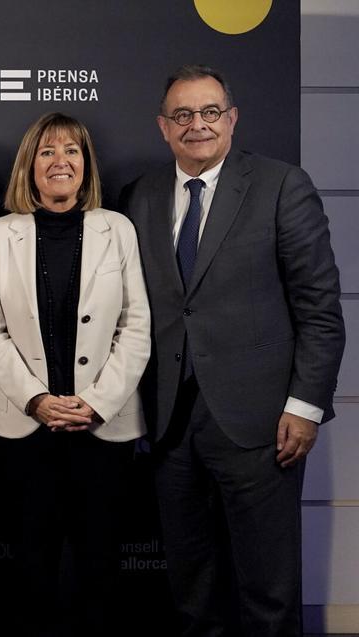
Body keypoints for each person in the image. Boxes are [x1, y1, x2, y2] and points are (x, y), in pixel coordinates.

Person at [122, 64, 345, 637]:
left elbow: (320, 309)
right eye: (183, 115)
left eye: (210, 112)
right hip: (169, 423)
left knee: (268, 591)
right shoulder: (139, 196)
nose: (198, 125)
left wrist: (305, 406)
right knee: (192, 589)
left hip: (262, 422)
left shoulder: (281, 186)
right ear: (163, 126)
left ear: (232, 118)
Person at [0, 112, 150, 636]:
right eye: (48, 151)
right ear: (30, 165)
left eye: (72, 150)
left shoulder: (117, 229)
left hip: (104, 427)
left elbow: (135, 325)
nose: (60, 161)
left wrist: (96, 402)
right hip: (25, 428)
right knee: (32, 566)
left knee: (100, 566)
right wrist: (36, 400)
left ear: (86, 163)